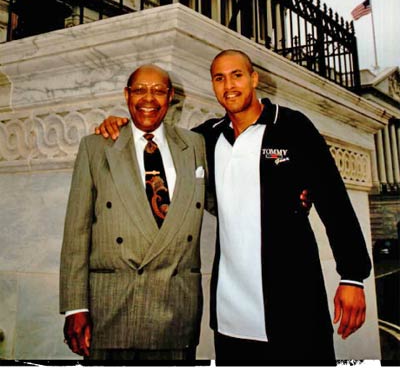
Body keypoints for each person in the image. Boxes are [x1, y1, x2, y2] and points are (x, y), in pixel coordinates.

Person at [96, 49, 371, 364]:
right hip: (231, 312)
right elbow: (157, 145)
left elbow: (334, 201)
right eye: (219, 78)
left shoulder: (293, 127)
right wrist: (120, 126)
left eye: (237, 75)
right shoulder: (206, 138)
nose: (229, 85)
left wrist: (352, 276)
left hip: (295, 300)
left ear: (254, 79)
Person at [60, 64, 207, 362]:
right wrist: (76, 307)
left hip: (176, 307)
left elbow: (218, 198)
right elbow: (77, 230)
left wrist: (290, 193)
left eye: (158, 91)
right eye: (140, 89)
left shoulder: (194, 144)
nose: (148, 99)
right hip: (111, 309)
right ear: (126, 95)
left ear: (171, 97)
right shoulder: (96, 146)